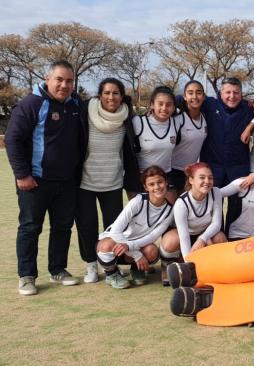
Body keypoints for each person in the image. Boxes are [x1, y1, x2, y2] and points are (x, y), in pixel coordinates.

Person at [6, 60, 86, 295]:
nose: (64, 85)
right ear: (47, 78)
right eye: (59, 79)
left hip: (66, 181)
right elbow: (13, 139)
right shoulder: (32, 103)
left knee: (62, 227)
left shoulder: (75, 104)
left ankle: (58, 269)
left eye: (69, 81)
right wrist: (22, 175)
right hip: (35, 181)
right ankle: (27, 276)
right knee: (30, 228)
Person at [74, 77, 137, 284]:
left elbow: (128, 153)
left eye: (116, 93)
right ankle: (91, 264)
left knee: (114, 228)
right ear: (100, 95)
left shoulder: (127, 118)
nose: (111, 97)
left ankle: (112, 265)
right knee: (87, 226)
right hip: (85, 181)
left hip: (113, 182)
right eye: (107, 93)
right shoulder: (85, 113)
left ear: (121, 96)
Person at [96, 166, 173, 289]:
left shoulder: (170, 210)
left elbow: (153, 236)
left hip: (134, 247)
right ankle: (111, 273)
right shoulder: (137, 201)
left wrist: (131, 248)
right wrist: (137, 255)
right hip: (116, 244)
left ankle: (137, 270)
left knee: (152, 251)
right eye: (151, 184)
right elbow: (115, 232)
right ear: (146, 187)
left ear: (166, 182)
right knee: (105, 246)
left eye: (160, 182)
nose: (157, 187)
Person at [160, 163, 227, 285]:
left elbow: (217, 223)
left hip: (203, 234)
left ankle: (215, 268)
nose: (207, 181)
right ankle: (168, 264)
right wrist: (188, 266)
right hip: (185, 235)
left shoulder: (215, 192)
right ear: (191, 180)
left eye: (210, 178)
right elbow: (184, 237)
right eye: (202, 177)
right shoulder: (181, 203)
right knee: (170, 242)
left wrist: (202, 239)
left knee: (220, 238)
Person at [200, 77, 253, 187]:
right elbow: (184, 100)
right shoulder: (210, 104)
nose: (232, 96)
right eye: (228, 92)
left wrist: (253, 124)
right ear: (221, 93)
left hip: (239, 169)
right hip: (212, 169)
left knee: (237, 204)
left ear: (241, 94)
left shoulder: (248, 108)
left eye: (236, 92)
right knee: (213, 203)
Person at [132, 86, 178, 201]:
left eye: (169, 104)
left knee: (170, 215)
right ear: (152, 104)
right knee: (143, 217)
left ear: (173, 107)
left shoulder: (176, 122)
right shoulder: (138, 122)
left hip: (166, 176)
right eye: (160, 104)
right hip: (143, 178)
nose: (164, 108)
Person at [168, 80, 208, 193]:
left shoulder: (204, 117)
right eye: (190, 93)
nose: (195, 96)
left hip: (190, 172)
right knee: (172, 209)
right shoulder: (178, 119)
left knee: (186, 208)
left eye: (199, 92)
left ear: (204, 96)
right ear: (184, 97)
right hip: (172, 171)